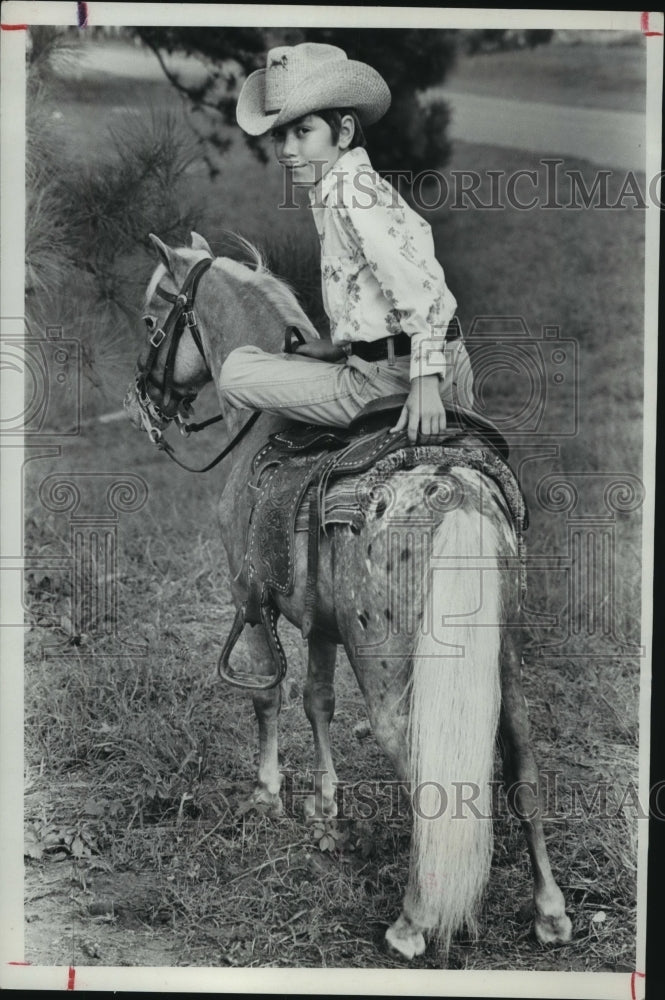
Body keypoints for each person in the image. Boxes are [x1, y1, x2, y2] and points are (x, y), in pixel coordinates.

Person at [220, 42, 475, 443]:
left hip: (396, 380)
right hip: (416, 361)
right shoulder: (346, 185)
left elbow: (423, 286)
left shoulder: (352, 194)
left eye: (303, 131)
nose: (286, 150)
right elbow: (375, 287)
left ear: (344, 132)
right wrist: (344, 346)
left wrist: (425, 383)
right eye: (279, 135)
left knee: (234, 372)